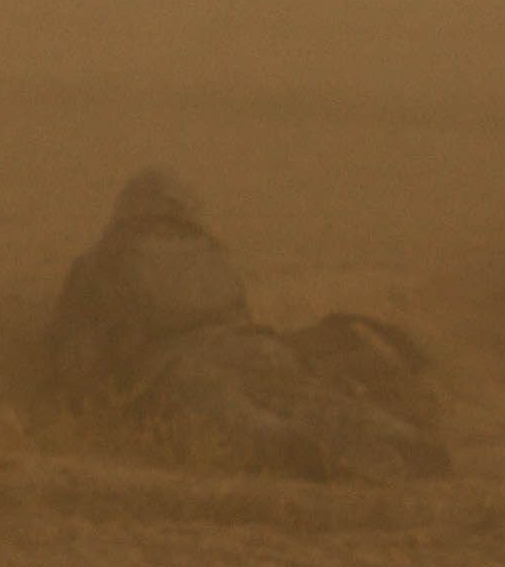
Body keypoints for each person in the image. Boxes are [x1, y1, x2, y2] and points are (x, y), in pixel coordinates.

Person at [42, 169, 444, 480]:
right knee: (320, 402)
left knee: (250, 431)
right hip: (259, 349)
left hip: (181, 369)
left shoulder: (103, 261)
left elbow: (78, 367)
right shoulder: (213, 253)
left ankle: (309, 453)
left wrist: (86, 416)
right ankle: (401, 438)